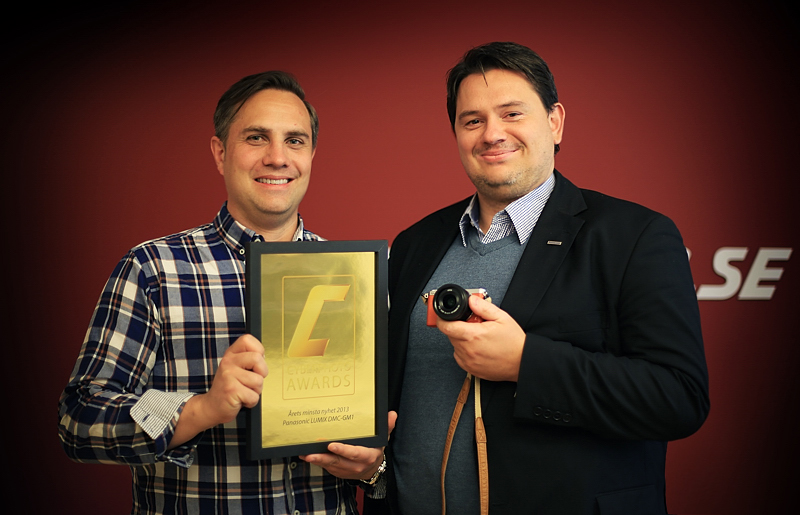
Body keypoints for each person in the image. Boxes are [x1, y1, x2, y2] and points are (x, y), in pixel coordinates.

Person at [367, 42, 710, 515]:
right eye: (472, 121)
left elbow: (679, 397)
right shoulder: (414, 243)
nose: (492, 134)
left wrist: (526, 362)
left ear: (554, 121)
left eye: (512, 113)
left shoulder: (634, 235)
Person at [58, 70, 389, 514]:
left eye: (294, 141)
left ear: (311, 155)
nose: (277, 157)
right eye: (256, 138)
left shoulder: (358, 276)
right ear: (220, 153)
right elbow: (78, 421)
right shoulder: (153, 269)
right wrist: (202, 409)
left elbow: (389, 440)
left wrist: (373, 467)